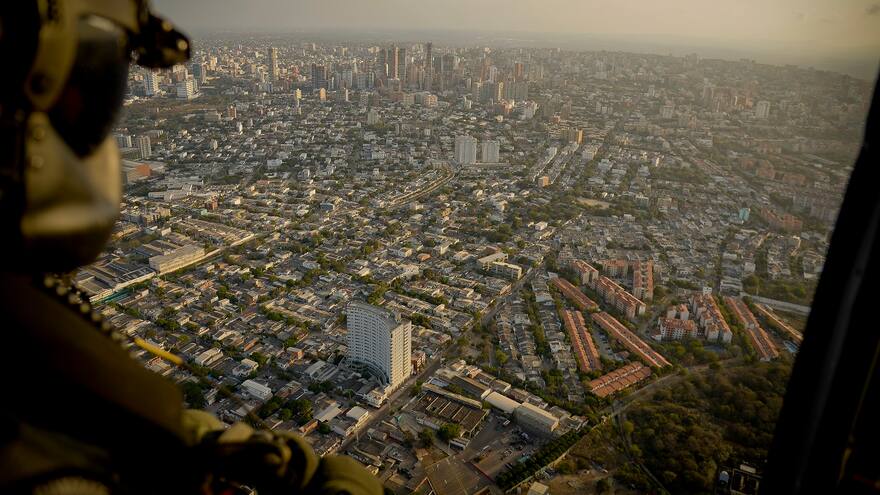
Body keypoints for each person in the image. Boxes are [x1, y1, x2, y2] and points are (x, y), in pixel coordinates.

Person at [0, 2, 383, 494]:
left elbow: (95, 419)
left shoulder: (25, 331)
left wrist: (199, 444)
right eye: (89, 94)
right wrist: (327, 479)